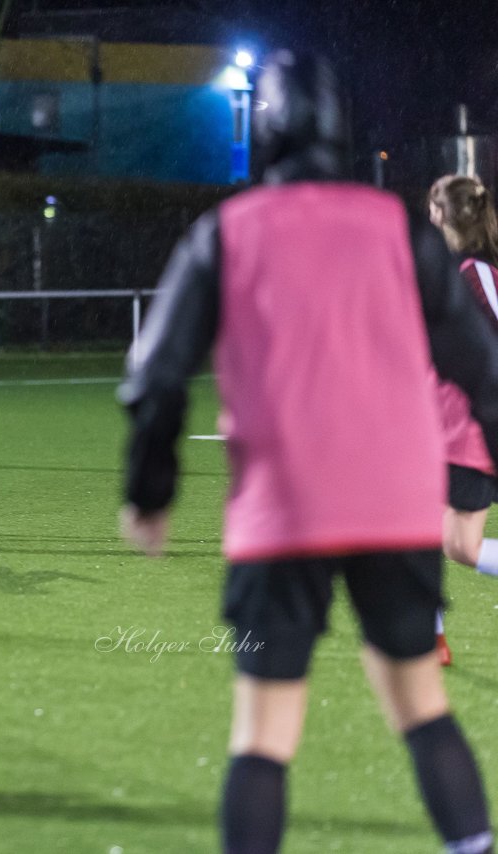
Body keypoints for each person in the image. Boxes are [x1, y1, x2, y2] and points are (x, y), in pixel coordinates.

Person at [119, 51, 498, 854]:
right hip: (396, 506)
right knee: (422, 708)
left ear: (266, 128)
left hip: (281, 509)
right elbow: (484, 371)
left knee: (264, 736)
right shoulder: (401, 227)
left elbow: (155, 376)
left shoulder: (227, 230)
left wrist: (149, 493)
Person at [428, 174, 498, 666]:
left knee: (460, 547)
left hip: (468, 432)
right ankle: (431, 640)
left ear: (441, 214)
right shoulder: (443, 271)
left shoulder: (478, 273)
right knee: (448, 543)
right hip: (436, 426)